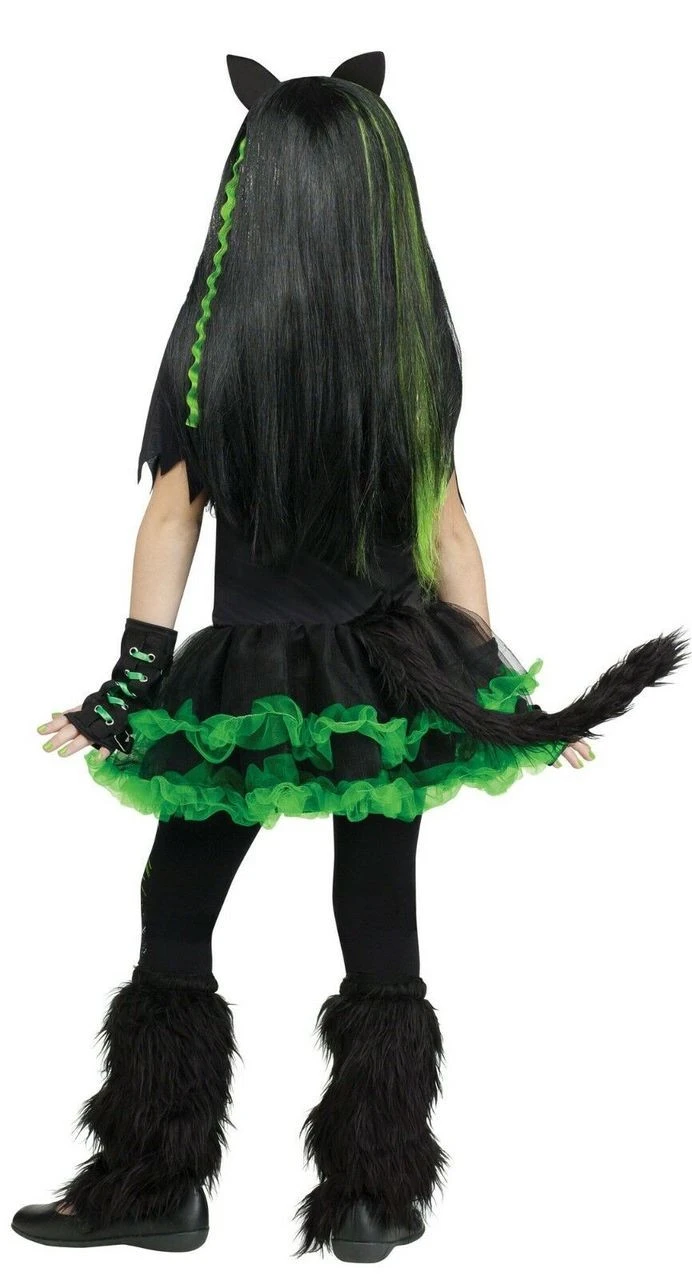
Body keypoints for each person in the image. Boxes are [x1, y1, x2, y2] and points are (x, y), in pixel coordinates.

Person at [12, 51, 687, 1260]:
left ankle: (159, 1179)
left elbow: (172, 515)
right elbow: (448, 528)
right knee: (377, 905)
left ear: (254, 188)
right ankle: (374, 1190)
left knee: (178, 900)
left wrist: (132, 681)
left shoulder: (216, 345)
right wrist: (486, 691)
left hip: (257, 677)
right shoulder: (404, 348)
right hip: (387, 677)